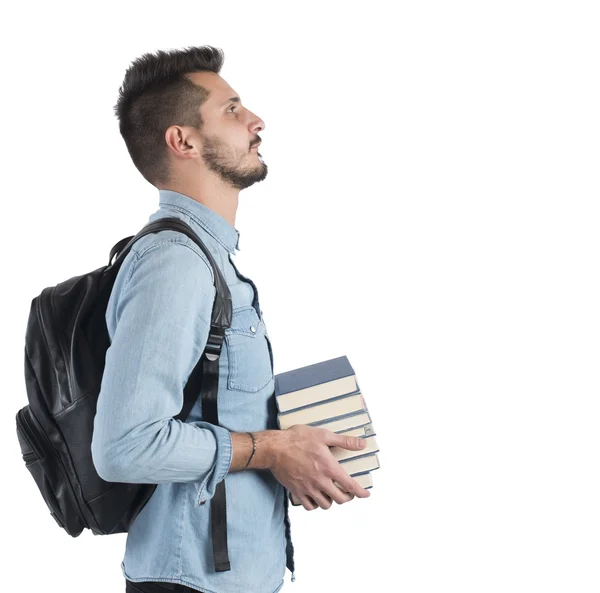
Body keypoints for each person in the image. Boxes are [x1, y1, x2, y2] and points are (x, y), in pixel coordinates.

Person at [90, 45, 371, 593]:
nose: (256, 120)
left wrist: (292, 444)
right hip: (192, 581)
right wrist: (271, 448)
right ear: (184, 140)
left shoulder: (206, 258)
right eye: (233, 109)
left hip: (231, 574)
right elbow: (124, 446)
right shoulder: (175, 263)